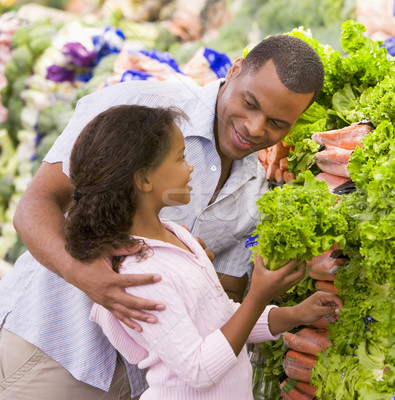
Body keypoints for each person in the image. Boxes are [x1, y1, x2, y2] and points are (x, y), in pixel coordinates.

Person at [0, 34, 326, 399]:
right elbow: (37, 203)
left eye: (277, 123)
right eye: (249, 103)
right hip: (57, 345)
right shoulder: (139, 108)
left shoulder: (256, 184)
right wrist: (85, 276)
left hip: (147, 377)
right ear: (235, 70)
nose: (254, 127)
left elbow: (220, 298)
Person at [65, 104, 340, 399]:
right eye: (181, 157)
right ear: (143, 179)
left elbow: (221, 319)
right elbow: (199, 370)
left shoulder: (177, 234)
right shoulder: (139, 274)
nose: (190, 166)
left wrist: (295, 314)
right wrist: (258, 294)